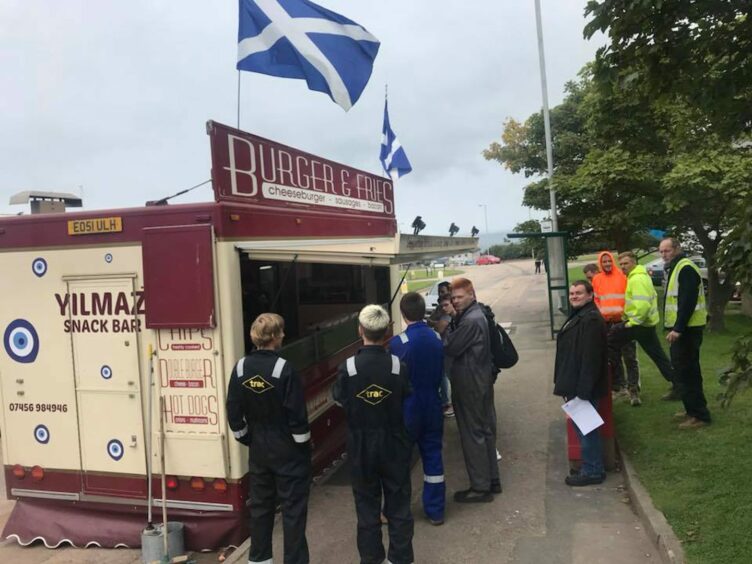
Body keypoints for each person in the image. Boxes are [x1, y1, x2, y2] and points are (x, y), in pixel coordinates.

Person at [226, 313, 311, 564]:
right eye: (281, 332)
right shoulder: (285, 369)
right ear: (273, 337)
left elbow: (233, 411)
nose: (284, 335)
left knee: (261, 510)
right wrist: (303, 448)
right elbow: (297, 416)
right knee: (293, 512)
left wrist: (247, 438)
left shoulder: (240, 368)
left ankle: (259, 560)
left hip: (259, 451)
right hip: (288, 451)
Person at [332, 305, 414, 564]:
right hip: (394, 442)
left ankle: (371, 559)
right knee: (399, 505)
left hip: (361, 445)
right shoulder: (397, 365)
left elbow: (339, 399)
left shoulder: (348, 367)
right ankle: (400, 558)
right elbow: (405, 394)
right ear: (387, 331)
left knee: (366, 507)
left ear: (360, 330)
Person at [389, 292, 446, 526]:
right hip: (433, 403)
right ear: (423, 311)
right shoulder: (436, 337)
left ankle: (397, 509)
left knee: (400, 460)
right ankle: (436, 510)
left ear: (403, 314)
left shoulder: (398, 343)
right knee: (433, 457)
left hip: (409, 407)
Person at [444, 277, 500, 502]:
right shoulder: (477, 315)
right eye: (453, 298)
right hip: (481, 380)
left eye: (459, 297)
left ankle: (479, 487)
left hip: (470, 383)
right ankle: (491, 480)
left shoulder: (470, 321)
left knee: (472, 434)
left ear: (472, 294)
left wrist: (447, 326)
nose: (455, 301)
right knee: (485, 431)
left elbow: (450, 346)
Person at [554, 280, 609, 486]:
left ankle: (593, 471)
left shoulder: (591, 319)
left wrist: (583, 391)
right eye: (571, 293)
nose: (574, 296)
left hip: (583, 387)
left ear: (590, 295)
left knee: (586, 429)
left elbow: (591, 358)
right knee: (583, 428)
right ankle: (591, 467)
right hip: (575, 383)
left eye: (578, 293)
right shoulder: (580, 315)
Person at [609, 252, 675, 406]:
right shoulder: (637, 276)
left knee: (610, 341)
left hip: (639, 325)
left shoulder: (637, 279)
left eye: (626, 263)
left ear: (634, 262)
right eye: (621, 264)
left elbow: (643, 306)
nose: (623, 267)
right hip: (645, 325)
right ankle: (678, 383)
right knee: (658, 356)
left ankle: (615, 383)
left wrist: (630, 323)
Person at [659, 238, 712, 428]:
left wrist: (678, 329)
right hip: (684, 330)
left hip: (687, 330)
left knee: (688, 372)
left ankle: (699, 415)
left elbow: (687, 302)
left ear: (677, 249)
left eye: (667, 251)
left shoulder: (685, 268)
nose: (664, 254)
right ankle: (691, 410)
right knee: (683, 371)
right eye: (661, 251)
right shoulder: (677, 267)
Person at [592, 251, 640, 397]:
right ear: (600, 263)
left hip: (624, 322)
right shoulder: (597, 279)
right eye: (604, 261)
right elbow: (596, 300)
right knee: (613, 357)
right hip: (607, 323)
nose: (607, 264)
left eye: (609, 261)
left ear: (613, 262)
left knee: (630, 357)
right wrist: (601, 315)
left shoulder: (623, 276)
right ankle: (620, 387)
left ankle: (634, 389)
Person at [427, 282, 454, 417]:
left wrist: (434, 323)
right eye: (439, 292)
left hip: (449, 346)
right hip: (440, 345)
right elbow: (430, 321)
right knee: (442, 374)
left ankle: (448, 403)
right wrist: (434, 322)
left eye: (443, 291)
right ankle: (445, 401)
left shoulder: (449, 306)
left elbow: (439, 327)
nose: (441, 294)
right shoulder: (440, 307)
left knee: (447, 375)